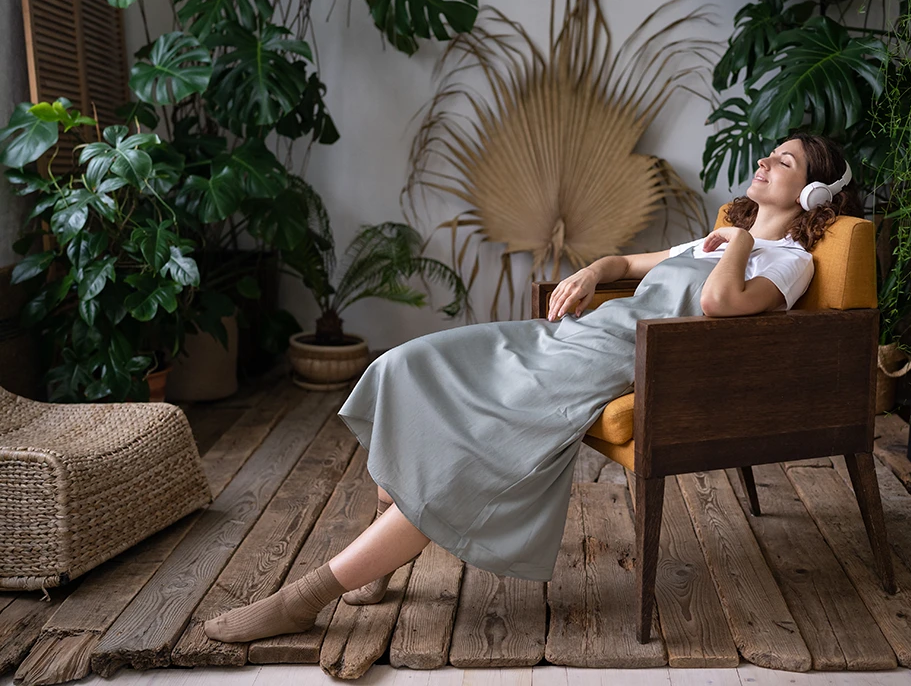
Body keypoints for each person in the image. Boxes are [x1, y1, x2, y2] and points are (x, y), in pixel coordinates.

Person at [202, 130, 861, 643]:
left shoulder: (788, 262)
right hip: (570, 337)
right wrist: (590, 274)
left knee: (462, 465)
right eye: (770, 156)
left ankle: (302, 600)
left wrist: (740, 240)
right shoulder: (715, 237)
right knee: (405, 368)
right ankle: (382, 543)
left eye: (786, 164)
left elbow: (720, 308)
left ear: (814, 196)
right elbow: (628, 263)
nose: (767, 166)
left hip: (616, 364)